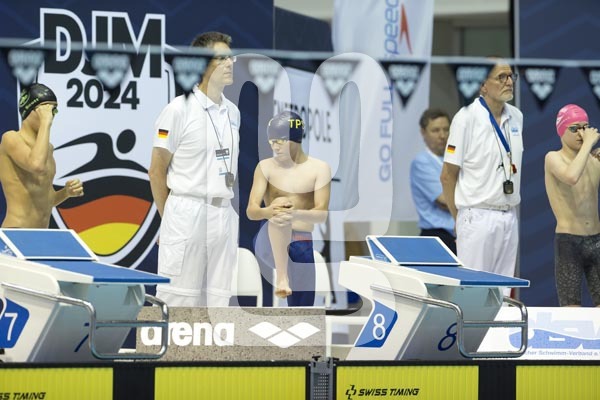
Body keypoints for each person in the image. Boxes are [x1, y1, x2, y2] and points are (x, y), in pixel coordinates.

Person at [149, 32, 241, 307]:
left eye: (231, 58)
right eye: (221, 58)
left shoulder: (233, 112)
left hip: (223, 212)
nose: (230, 63)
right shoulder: (178, 109)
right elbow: (156, 171)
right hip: (187, 210)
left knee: (218, 303)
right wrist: (169, 220)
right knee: (178, 300)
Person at [440, 59, 523, 287]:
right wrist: (459, 218)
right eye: (501, 77)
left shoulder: (517, 117)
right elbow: (447, 176)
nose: (509, 82)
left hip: (509, 215)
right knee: (473, 291)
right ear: (482, 85)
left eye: (511, 76)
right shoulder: (465, 118)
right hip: (476, 215)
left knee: (503, 292)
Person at [247, 111, 331, 306]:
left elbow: (321, 215)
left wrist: (294, 214)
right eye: (272, 142)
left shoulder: (319, 168)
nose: (275, 147)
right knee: (281, 205)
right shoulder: (266, 167)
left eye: (280, 142)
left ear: (295, 140)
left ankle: (287, 283)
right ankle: (282, 277)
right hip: (268, 240)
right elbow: (251, 211)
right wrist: (270, 212)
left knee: (303, 307)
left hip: (301, 242)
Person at [0, 83, 84, 228]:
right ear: (29, 110)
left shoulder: (48, 149)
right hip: (15, 230)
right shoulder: (11, 139)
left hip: (41, 234)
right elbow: (36, 165)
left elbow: (46, 200)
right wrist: (45, 122)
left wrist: (66, 193)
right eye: (45, 109)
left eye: (53, 110)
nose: (50, 115)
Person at [544, 104, 600, 307]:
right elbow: (571, 176)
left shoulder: (595, 159)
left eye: (585, 127)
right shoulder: (553, 158)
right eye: (574, 128)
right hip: (569, 243)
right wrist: (588, 146)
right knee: (571, 310)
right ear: (561, 130)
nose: (581, 133)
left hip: (597, 241)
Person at [410, 108, 456, 254]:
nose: (442, 135)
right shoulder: (422, 162)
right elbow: (445, 201)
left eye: (446, 129)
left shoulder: (455, 159)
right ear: (423, 132)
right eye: (435, 130)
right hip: (437, 236)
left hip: (459, 234)